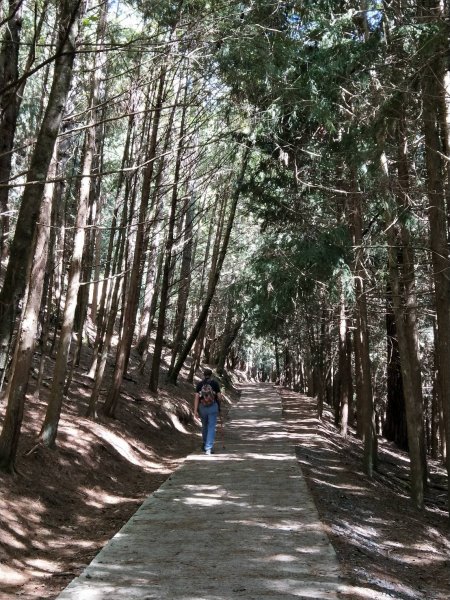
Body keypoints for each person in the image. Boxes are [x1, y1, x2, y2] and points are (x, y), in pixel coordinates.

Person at [194, 368, 222, 455]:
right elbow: (219, 396)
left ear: (203, 375)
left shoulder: (200, 384)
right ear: (211, 375)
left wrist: (195, 410)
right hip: (213, 407)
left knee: (204, 426)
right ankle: (208, 448)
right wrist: (219, 405)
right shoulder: (214, 383)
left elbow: (196, 397)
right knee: (211, 427)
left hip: (202, 407)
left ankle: (205, 443)